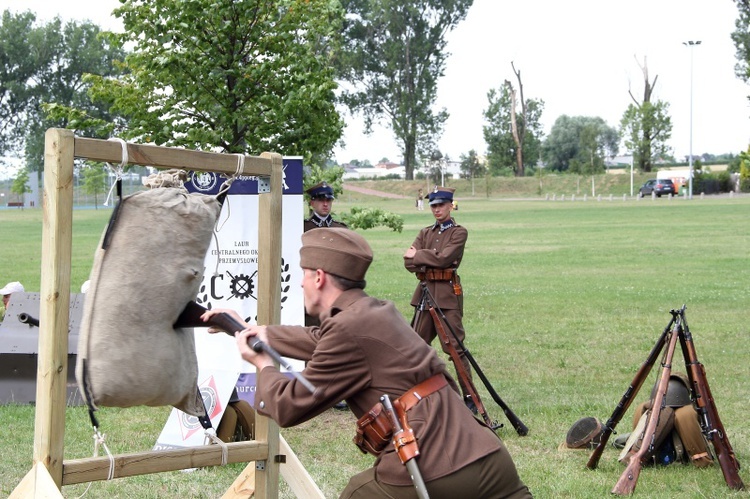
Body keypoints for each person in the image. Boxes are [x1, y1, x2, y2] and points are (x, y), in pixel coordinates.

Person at [201, 228, 531, 498]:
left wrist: (262, 364)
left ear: (318, 277)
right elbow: (322, 340)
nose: (300, 283)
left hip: (437, 470)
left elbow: (289, 407)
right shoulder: (375, 312)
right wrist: (250, 330)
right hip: (491, 460)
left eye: (302, 275)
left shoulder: (347, 329)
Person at [403, 186, 475, 409]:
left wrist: (420, 256)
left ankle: (470, 397)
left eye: (441, 205)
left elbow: (445, 259)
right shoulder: (426, 232)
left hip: (446, 295)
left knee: (455, 348)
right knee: (415, 347)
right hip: (425, 294)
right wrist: (423, 259)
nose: (437, 209)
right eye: (433, 205)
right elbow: (407, 262)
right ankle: (416, 393)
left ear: (450, 205)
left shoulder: (458, 232)